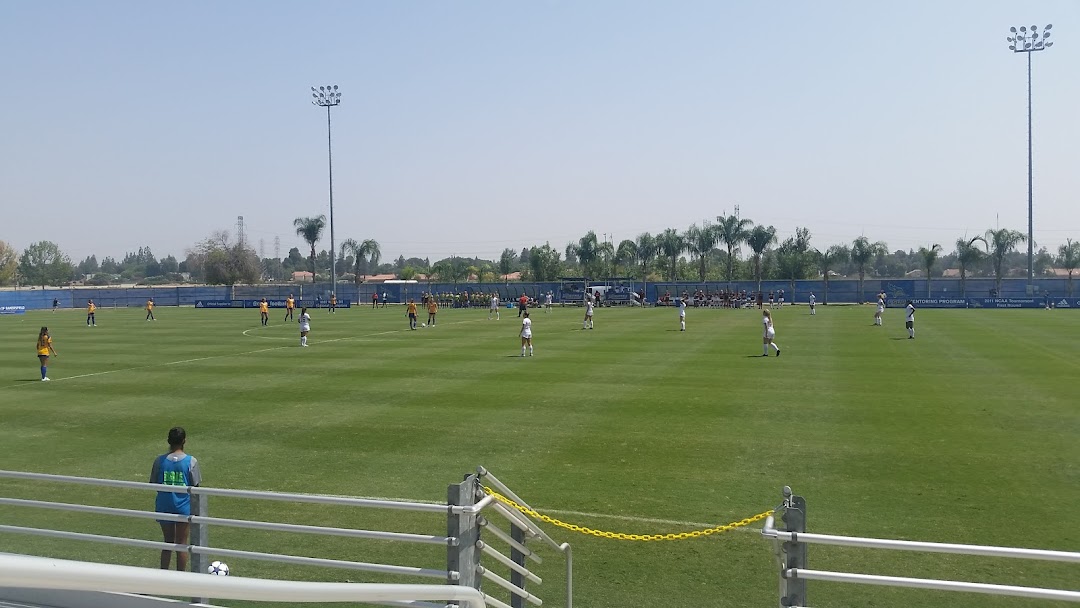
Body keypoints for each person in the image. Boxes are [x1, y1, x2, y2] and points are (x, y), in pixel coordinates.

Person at [151, 426, 201, 572]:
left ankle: (163, 575)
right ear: (184, 440)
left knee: (167, 543)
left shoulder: (159, 461)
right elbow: (196, 486)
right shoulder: (191, 461)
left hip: (164, 505)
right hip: (183, 507)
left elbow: (154, 483)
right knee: (182, 544)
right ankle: (181, 578)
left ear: (168, 441)